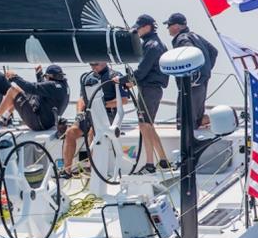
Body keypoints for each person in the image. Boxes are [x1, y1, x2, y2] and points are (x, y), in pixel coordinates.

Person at [61, 62, 130, 179]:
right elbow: (82, 98)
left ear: (104, 61)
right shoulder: (86, 77)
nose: (93, 67)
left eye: (95, 64)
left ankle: (92, 170)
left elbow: (123, 100)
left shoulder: (115, 75)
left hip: (108, 114)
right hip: (89, 113)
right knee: (70, 132)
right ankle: (67, 171)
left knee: (94, 132)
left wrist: (101, 105)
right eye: (91, 64)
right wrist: (79, 114)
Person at [122, 14, 171, 174]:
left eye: (139, 28)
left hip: (149, 88)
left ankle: (150, 164)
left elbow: (143, 70)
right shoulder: (155, 44)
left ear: (148, 27)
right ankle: (163, 160)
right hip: (152, 89)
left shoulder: (152, 45)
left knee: (144, 125)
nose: (137, 31)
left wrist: (125, 80)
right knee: (148, 125)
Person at [163, 12, 219, 129]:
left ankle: (188, 145)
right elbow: (213, 51)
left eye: (169, 25)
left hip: (191, 84)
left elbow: (190, 51)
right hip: (201, 82)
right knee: (196, 119)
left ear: (176, 26)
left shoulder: (182, 39)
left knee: (186, 121)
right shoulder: (194, 35)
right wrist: (205, 70)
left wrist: (193, 75)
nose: (168, 28)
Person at [0, 64, 70, 130]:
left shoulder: (53, 86)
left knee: (13, 90)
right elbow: (42, 90)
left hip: (38, 123)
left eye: (46, 77)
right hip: (48, 123)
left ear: (50, 76)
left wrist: (14, 77)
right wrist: (39, 74)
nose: (46, 79)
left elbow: (31, 87)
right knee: (21, 91)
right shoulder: (63, 86)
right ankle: (5, 118)